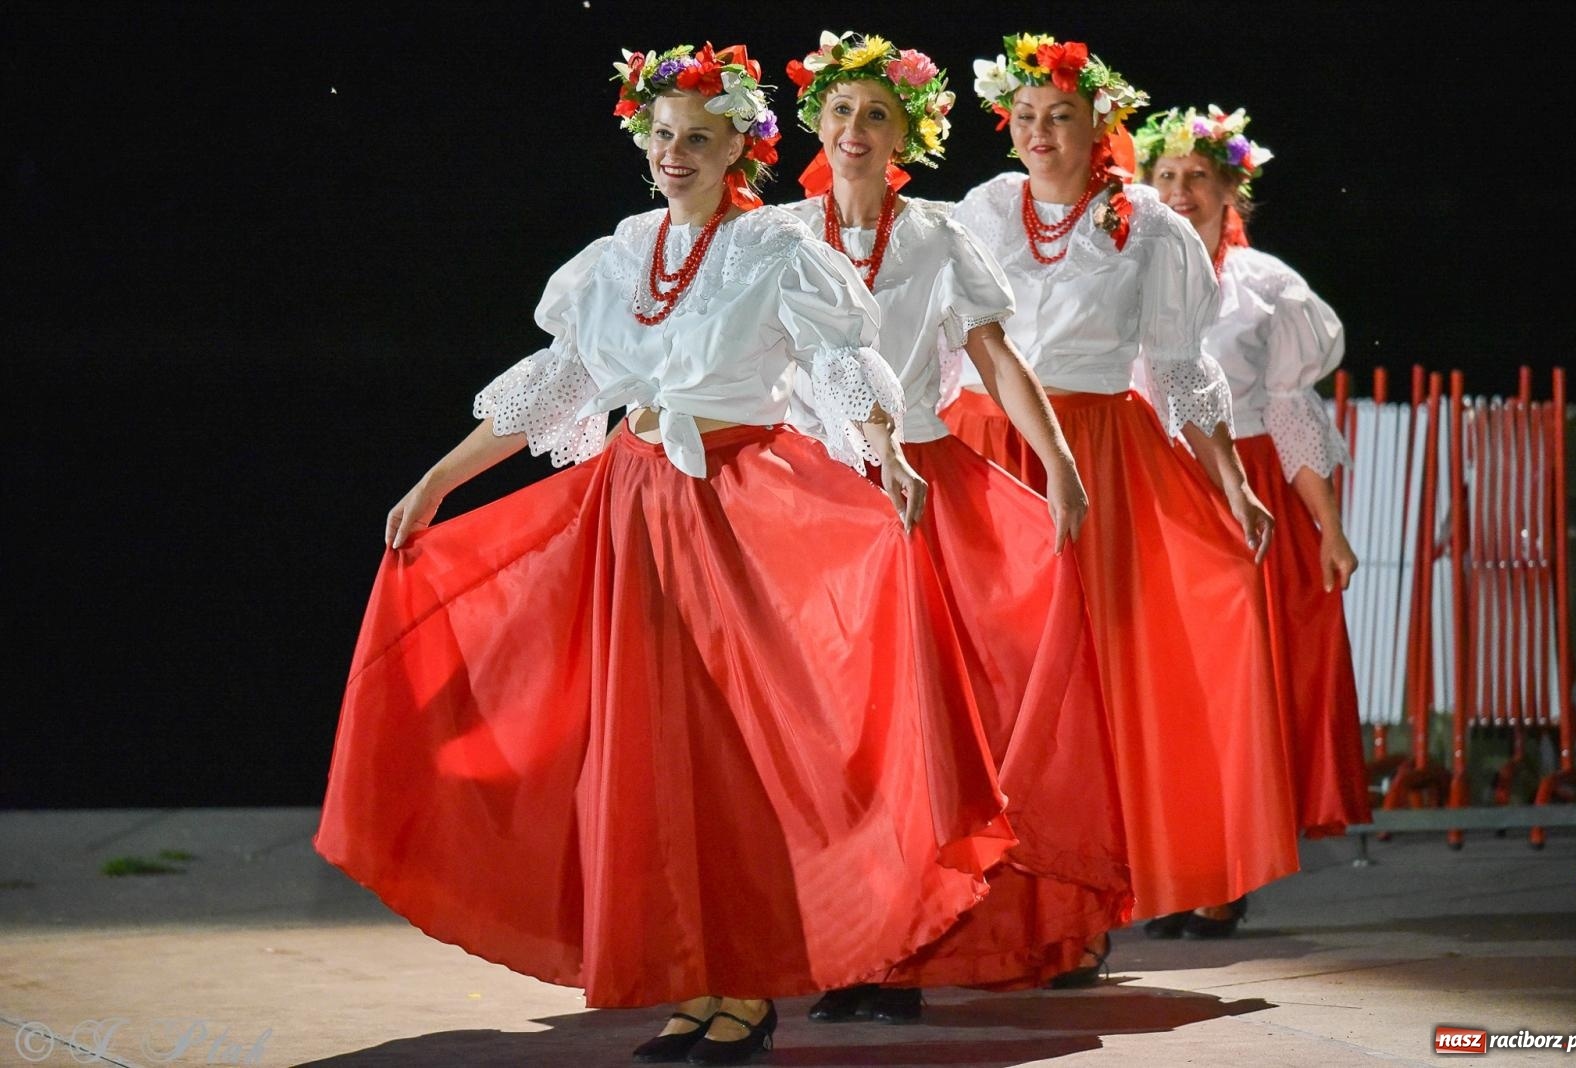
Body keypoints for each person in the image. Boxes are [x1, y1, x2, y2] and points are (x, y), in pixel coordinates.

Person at [313, 43, 1018, 1067]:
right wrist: (438, 481)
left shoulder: (774, 248)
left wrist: (885, 448)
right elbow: (563, 378)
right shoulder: (623, 251)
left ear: (741, 147)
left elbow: (837, 356)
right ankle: (694, 986)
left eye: (698, 137)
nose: (675, 154)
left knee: (732, 751)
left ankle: (745, 987)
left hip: (736, 510)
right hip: (632, 508)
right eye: (662, 137)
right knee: (647, 755)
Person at [780, 32, 1130, 1021]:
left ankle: (904, 949)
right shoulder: (778, 234)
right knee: (827, 735)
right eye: (840, 111)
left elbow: (996, 356)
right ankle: (845, 943)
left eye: (876, 114)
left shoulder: (934, 236)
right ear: (816, 123)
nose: (855, 129)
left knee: (914, 730)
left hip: (918, 491)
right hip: (807, 493)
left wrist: (1058, 462)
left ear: (907, 135)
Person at [943, 33, 1301, 959]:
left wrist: (1230, 479)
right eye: (1025, 116)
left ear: (1098, 122)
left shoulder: (1148, 224)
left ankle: (1078, 910)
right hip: (989, 443)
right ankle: (976, 907)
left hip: (1098, 452)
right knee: (990, 676)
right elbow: (942, 336)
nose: (1039, 133)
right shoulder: (983, 208)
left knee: (1081, 679)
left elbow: (1180, 365)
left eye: (1059, 116)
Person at [1137, 105, 1369, 935]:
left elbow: (1288, 410)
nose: (1181, 190)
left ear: (1231, 189)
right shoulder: (1121, 271)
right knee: (1165, 690)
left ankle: (1225, 873)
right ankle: (1176, 867)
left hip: (1246, 488)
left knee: (1235, 692)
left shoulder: (1266, 287)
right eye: (1166, 176)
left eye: (1198, 176)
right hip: (1153, 486)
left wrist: (1328, 526)